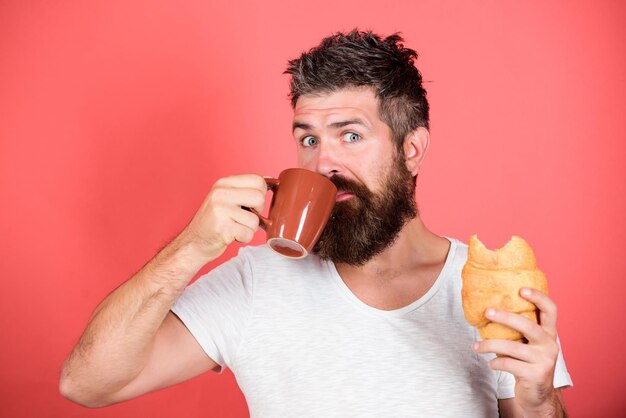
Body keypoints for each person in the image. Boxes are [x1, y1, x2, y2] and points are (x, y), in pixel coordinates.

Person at [60, 29, 572, 417]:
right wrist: (192, 247)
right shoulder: (255, 280)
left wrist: (540, 398)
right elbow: (87, 384)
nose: (323, 162)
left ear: (411, 149)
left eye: (350, 136)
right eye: (308, 139)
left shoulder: (491, 290)